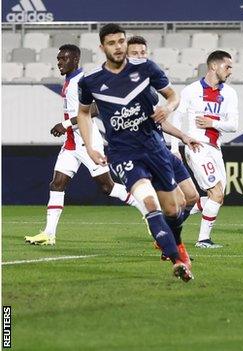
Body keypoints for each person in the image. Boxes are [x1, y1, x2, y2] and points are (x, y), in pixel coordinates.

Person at [75, 24, 192, 282]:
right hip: (123, 154)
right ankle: (176, 260)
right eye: (112, 43)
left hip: (155, 148)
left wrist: (168, 108)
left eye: (121, 41)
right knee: (149, 203)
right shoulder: (90, 82)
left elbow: (173, 96)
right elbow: (83, 113)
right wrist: (91, 147)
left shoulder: (146, 69)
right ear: (102, 47)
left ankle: (176, 243)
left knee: (173, 210)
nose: (118, 46)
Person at [24, 44, 142, 246]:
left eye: (64, 59)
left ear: (75, 60)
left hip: (88, 142)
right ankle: (49, 233)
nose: (59, 62)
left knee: (107, 187)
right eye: (59, 58)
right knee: (57, 184)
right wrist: (67, 127)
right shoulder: (69, 80)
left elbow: (95, 108)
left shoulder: (82, 81)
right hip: (71, 142)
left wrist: (65, 124)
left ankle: (148, 210)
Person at [126, 35, 202, 257]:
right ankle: (169, 243)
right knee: (175, 204)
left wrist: (184, 137)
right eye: (135, 53)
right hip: (147, 153)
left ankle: (165, 236)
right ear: (126, 57)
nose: (140, 57)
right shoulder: (122, 88)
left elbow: (159, 119)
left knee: (193, 197)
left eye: (143, 53)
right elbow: (94, 109)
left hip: (162, 148)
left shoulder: (148, 84)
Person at [170, 50, 238, 249]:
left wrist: (212, 122)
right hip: (196, 147)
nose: (230, 71)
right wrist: (175, 148)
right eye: (228, 66)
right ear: (214, 66)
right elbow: (177, 117)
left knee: (216, 198)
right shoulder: (191, 90)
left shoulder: (230, 93)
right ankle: (203, 240)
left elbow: (233, 125)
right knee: (216, 194)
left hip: (216, 149)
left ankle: (171, 222)